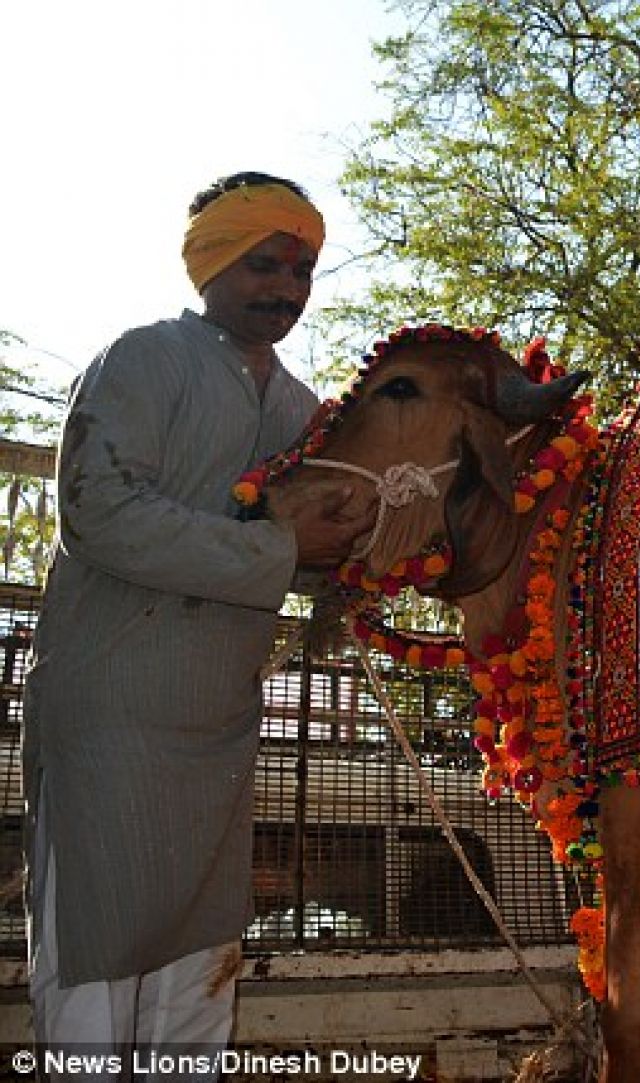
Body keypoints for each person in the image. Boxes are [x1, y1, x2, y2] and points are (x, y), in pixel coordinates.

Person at [21, 172, 373, 1071]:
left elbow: (350, 514)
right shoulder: (142, 358)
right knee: (95, 974)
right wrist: (280, 551)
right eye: (265, 265)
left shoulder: (299, 410)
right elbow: (94, 510)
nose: (287, 291)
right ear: (210, 262)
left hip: (216, 732)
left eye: (302, 273)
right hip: (111, 719)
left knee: (196, 978)